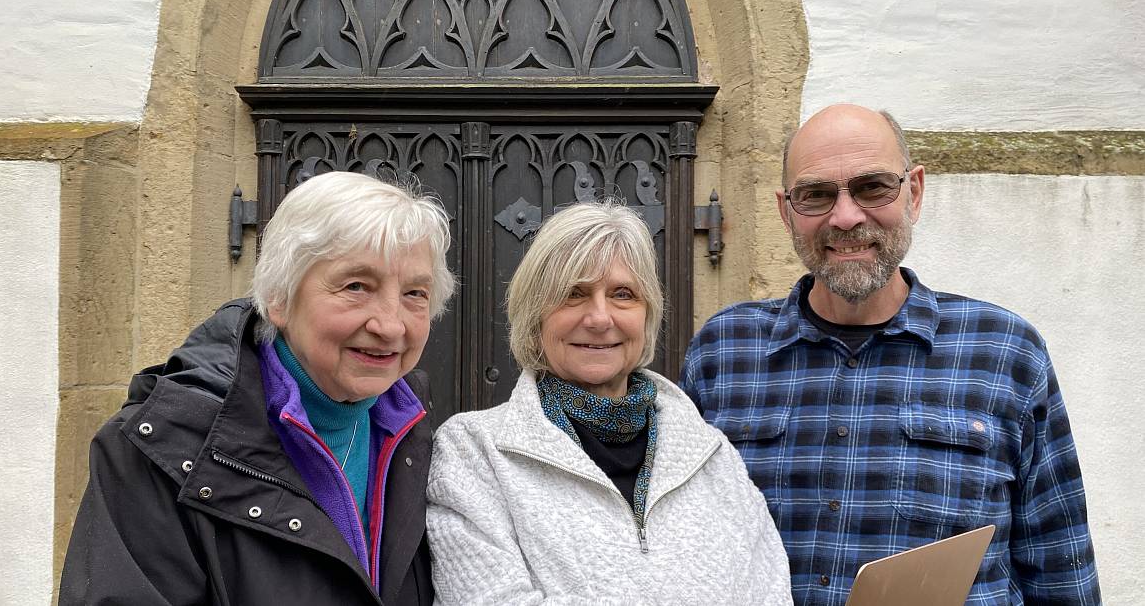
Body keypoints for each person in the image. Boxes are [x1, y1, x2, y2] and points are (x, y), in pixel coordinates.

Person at [682, 104, 1100, 604]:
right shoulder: (723, 352)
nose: (845, 216)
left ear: (914, 191)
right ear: (785, 210)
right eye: (815, 195)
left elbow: (1060, 566)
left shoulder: (1004, 351)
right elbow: (683, 549)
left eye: (872, 187)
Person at [60, 171, 455, 604]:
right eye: (356, 286)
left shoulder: (415, 436)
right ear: (280, 298)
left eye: (415, 293)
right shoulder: (160, 446)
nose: (390, 325)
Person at [426, 201, 792, 604]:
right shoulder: (474, 451)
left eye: (623, 294)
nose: (600, 318)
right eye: (573, 294)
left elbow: (770, 592)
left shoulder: (711, 454)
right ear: (536, 316)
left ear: (647, 314)